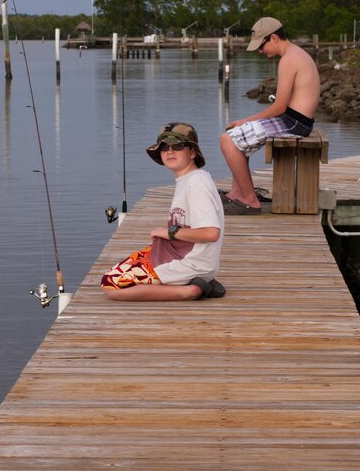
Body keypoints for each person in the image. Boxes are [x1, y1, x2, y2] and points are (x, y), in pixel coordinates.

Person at [101, 122, 225, 301]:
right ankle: (194, 282)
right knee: (119, 272)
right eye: (164, 147)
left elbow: (211, 233)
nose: (170, 151)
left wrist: (168, 232)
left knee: (110, 284)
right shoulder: (188, 179)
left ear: (192, 153)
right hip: (175, 253)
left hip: (191, 262)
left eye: (178, 146)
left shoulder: (197, 183)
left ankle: (192, 290)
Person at [220, 17, 320, 215]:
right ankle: (236, 193)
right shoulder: (295, 54)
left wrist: (245, 121)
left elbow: (279, 106)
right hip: (295, 120)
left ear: (273, 38)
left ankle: (249, 201)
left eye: (261, 46)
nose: (259, 51)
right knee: (237, 136)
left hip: (294, 123)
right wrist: (245, 124)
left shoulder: (289, 59)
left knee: (227, 141)